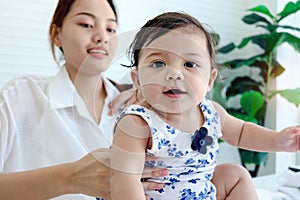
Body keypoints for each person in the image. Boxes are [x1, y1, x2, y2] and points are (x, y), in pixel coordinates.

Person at [110, 12, 300, 200]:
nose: (175, 74)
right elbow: (124, 181)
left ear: (210, 80)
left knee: (235, 174)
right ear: (137, 80)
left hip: (201, 194)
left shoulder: (211, 112)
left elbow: (242, 132)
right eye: (159, 63)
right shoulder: (137, 123)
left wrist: (278, 140)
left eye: (190, 64)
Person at [0, 0, 168, 199]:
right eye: (87, 24)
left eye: (111, 29)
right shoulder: (21, 96)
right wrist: (68, 179)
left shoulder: (135, 109)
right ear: (56, 34)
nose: (102, 37)